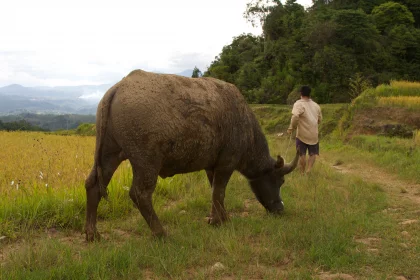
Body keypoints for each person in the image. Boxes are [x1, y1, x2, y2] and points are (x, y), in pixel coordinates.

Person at [287, 86, 322, 174]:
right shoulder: (316, 105)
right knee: (313, 153)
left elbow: (295, 116)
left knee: (301, 154)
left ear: (301, 93)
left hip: (302, 134)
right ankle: (309, 169)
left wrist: (292, 127)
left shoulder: (298, 104)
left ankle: (302, 172)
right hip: (314, 134)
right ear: (310, 94)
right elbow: (320, 119)